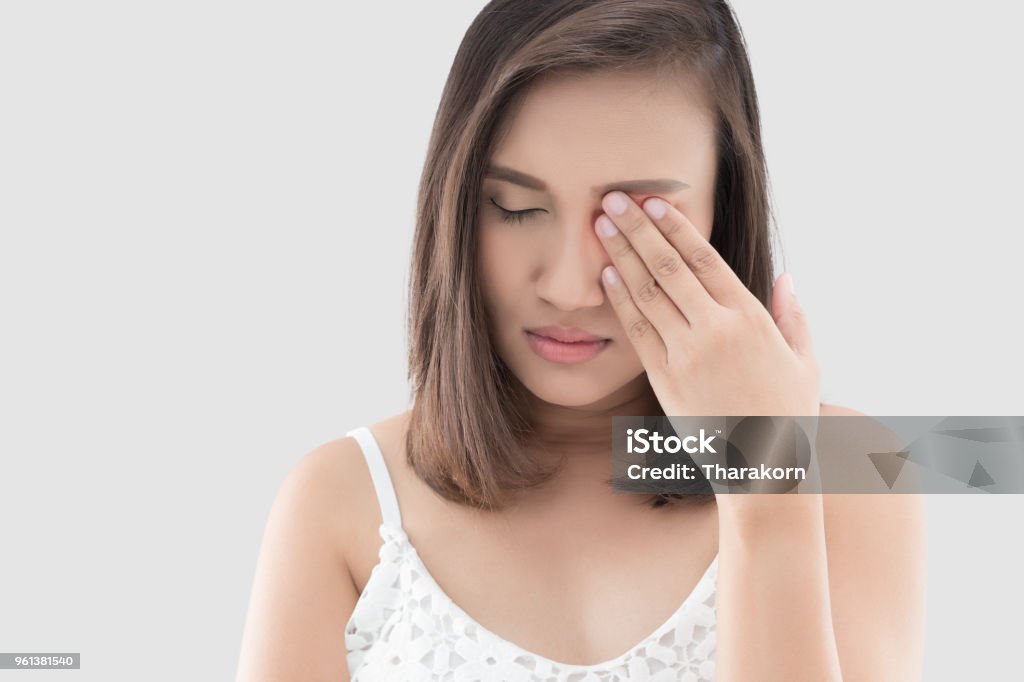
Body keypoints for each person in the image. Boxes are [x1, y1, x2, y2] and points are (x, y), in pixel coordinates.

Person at [235, 1, 927, 680]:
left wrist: (766, 475)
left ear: (724, 206)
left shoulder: (854, 468)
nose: (569, 286)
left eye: (635, 219)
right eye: (516, 208)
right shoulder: (338, 501)